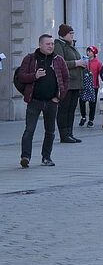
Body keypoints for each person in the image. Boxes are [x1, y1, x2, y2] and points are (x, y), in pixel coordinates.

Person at [18, 34, 69, 167]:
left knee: (50, 131)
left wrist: (59, 96)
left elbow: (65, 79)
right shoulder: (30, 59)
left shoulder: (59, 60)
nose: (51, 46)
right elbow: (21, 77)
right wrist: (34, 76)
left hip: (52, 102)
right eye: (48, 44)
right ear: (40, 45)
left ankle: (46, 157)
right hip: (34, 101)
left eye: (52, 44)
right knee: (29, 130)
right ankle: (25, 157)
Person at [54, 24, 87, 143]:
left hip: (76, 83)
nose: (72, 36)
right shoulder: (59, 45)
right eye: (70, 34)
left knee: (72, 109)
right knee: (64, 109)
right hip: (67, 83)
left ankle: (70, 133)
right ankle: (64, 134)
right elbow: (59, 63)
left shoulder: (71, 45)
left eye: (72, 33)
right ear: (63, 34)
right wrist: (76, 63)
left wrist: (82, 63)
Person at [79, 46, 102, 127]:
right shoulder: (85, 61)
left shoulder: (97, 62)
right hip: (84, 84)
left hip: (94, 85)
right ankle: (83, 116)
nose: (88, 53)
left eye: (90, 51)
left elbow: (101, 72)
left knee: (92, 103)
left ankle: (91, 119)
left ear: (94, 53)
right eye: (87, 51)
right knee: (82, 101)